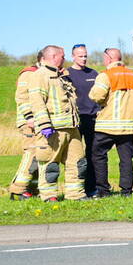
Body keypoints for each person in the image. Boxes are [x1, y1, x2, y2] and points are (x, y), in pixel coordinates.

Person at [28, 45, 86, 201]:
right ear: (54, 56)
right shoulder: (39, 76)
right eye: (63, 56)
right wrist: (45, 125)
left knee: (77, 162)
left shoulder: (61, 75)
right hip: (53, 129)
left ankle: (75, 195)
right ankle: (49, 196)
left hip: (72, 128)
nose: (64, 59)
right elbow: (37, 102)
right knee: (50, 164)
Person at [89, 48, 133, 197]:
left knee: (98, 156)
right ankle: (126, 191)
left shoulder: (105, 75)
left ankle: (103, 190)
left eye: (104, 58)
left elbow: (96, 96)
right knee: (126, 160)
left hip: (107, 126)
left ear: (109, 59)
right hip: (128, 126)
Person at [65, 44, 99, 195]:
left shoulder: (94, 73)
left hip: (93, 119)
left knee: (93, 154)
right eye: (80, 56)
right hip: (76, 121)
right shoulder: (67, 74)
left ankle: (91, 187)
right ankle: (75, 188)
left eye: (85, 55)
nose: (84, 58)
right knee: (77, 156)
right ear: (73, 56)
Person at [8, 51, 42, 199]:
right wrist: (29, 117)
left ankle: (32, 189)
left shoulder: (43, 73)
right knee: (31, 154)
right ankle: (18, 189)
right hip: (30, 122)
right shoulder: (29, 74)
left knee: (40, 156)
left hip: (40, 121)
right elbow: (21, 97)